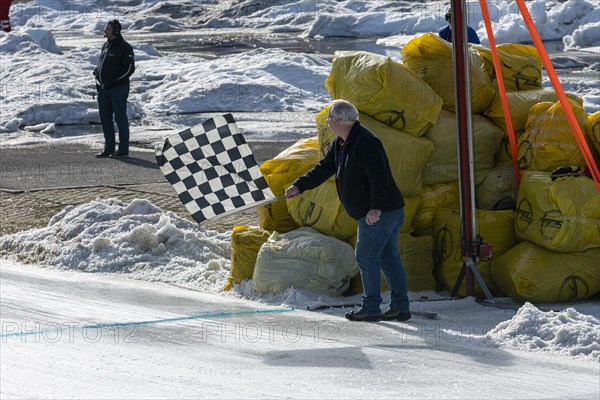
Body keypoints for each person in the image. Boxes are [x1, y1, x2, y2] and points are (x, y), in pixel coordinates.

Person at [285, 100, 411, 322]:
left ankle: (371, 308)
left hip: (381, 212)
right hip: (382, 210)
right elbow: (325, 167)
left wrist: (375, 208)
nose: (328, 123)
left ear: (340, 120)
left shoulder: (366, 142)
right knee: (388, 256)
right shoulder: (343, 142)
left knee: (366, 256)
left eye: (330, 119)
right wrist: (300, 186)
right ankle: (400, 307)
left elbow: (379, 178)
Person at [93, 20, 135, 158]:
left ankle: (123, 149)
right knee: (105, 118)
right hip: (104, 89)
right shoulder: (106, 45)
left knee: (120, 118)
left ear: (115, 30)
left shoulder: (124, 47)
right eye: (106, 28)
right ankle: (109, 148)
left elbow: (129, 68)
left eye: (108, 28)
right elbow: (102, 64)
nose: (105, 30)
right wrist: (97, 75)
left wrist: (115, 81)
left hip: (118, 88)